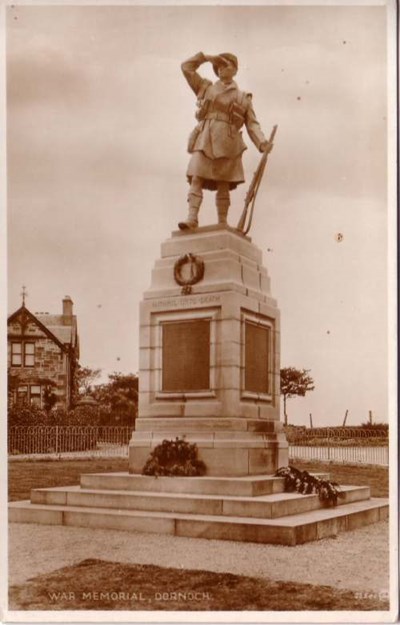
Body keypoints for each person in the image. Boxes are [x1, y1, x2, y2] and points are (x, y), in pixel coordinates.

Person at [179, 51, 273, 231]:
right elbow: (186, 67)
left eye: (226, 65)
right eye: (218, 66)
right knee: (196, 177)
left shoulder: (242, 97)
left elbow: (252, 124)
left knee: (223, 183)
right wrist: (206, 58)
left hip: (228, 142)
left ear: (235, 70)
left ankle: (222, 222)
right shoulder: (205, 87)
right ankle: (192, 218)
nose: (221, 68)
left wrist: (262, 143)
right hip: (204, 138)